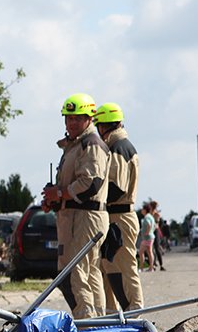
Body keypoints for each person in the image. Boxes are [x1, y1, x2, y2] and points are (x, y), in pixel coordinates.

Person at [42, 92, 110, 318]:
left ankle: (88, 325)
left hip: (85, 217)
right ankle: (98, 324)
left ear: (89, 119)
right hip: (75, 216)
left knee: (75, 274)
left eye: (77, 118)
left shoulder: (91, 144)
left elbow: (91, 183)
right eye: (68, 118)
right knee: (87, 274)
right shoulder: (75, 145)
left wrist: (60, 192)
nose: (72, 122)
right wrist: (54, 199)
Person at [93, 102, 144, 311]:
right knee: (111, 266)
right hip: (118, 216)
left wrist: (95, 196)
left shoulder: (118, 148)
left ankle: (135, 312)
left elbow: (117, 187)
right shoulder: (121, 146)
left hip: (119, 216)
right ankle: (116, 313)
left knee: (125, 268)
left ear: (103, 126)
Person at [137, 202, 157, 272]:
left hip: (147, 238)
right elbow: (154, 226)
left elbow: (149, 225)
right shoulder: (151, 216)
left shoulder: (147, 217)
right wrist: (151, 231)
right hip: (150, 237)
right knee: (149, 252)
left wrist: (147, 232)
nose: (141, 210)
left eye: (142, 209)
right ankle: (151, 267)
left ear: (145, 210)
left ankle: (141, 268)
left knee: (140, 252)